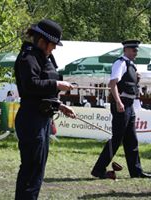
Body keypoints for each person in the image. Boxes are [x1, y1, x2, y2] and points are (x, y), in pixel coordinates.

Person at [14, 19, 76, 200]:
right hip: (31, 119)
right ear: (42, 41)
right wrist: (57, 84)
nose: (54, 48)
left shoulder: (42, 57)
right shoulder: (28, 57)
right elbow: (30, 85)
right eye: (53, 44)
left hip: (42, 119)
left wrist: (59, 105)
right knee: (31, 168)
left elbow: (41, 93)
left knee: (37, 168)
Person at [91, 40, 151, 179]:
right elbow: (113, 84)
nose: (136, 53)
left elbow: (127, 84)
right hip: (122, 104)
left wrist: (136, 80)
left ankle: (136, 171)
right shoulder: (120, 63)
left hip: (128, 104)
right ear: (126, 50)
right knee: (117, 139)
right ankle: (98, 170)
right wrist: (118, 102)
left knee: (132, 140)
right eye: (134, 50)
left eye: (136, 50)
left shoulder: (131, 65)